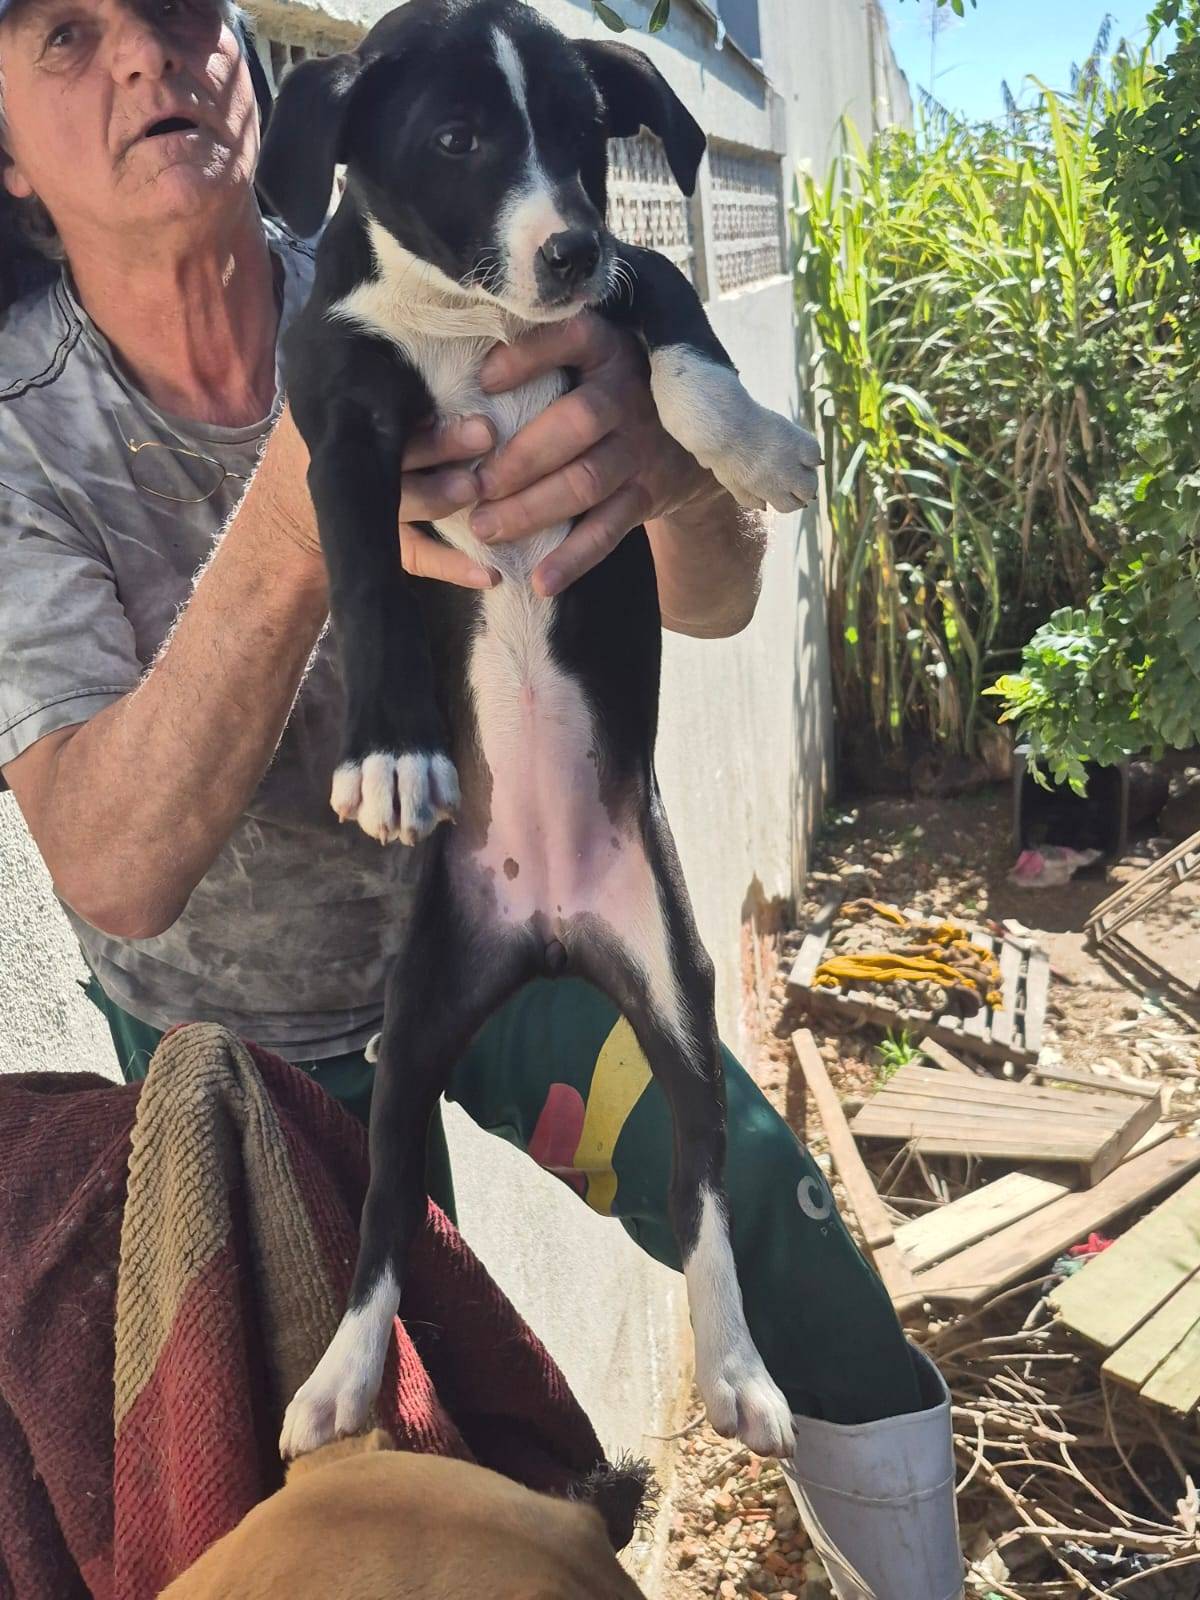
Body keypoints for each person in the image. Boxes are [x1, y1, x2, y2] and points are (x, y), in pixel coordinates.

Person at [0, 1, 962, 1595]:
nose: (145, 57)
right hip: (251, 1044)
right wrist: (309, 519)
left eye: (174, 10)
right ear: (9, 161)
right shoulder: (23, 439)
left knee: (799, 1265)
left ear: (247, 59)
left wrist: (665, 466)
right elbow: (113, 866)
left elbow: (715, 598)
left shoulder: (445, 252)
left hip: (527, 926)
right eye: (65, 34)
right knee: (387, 1495)